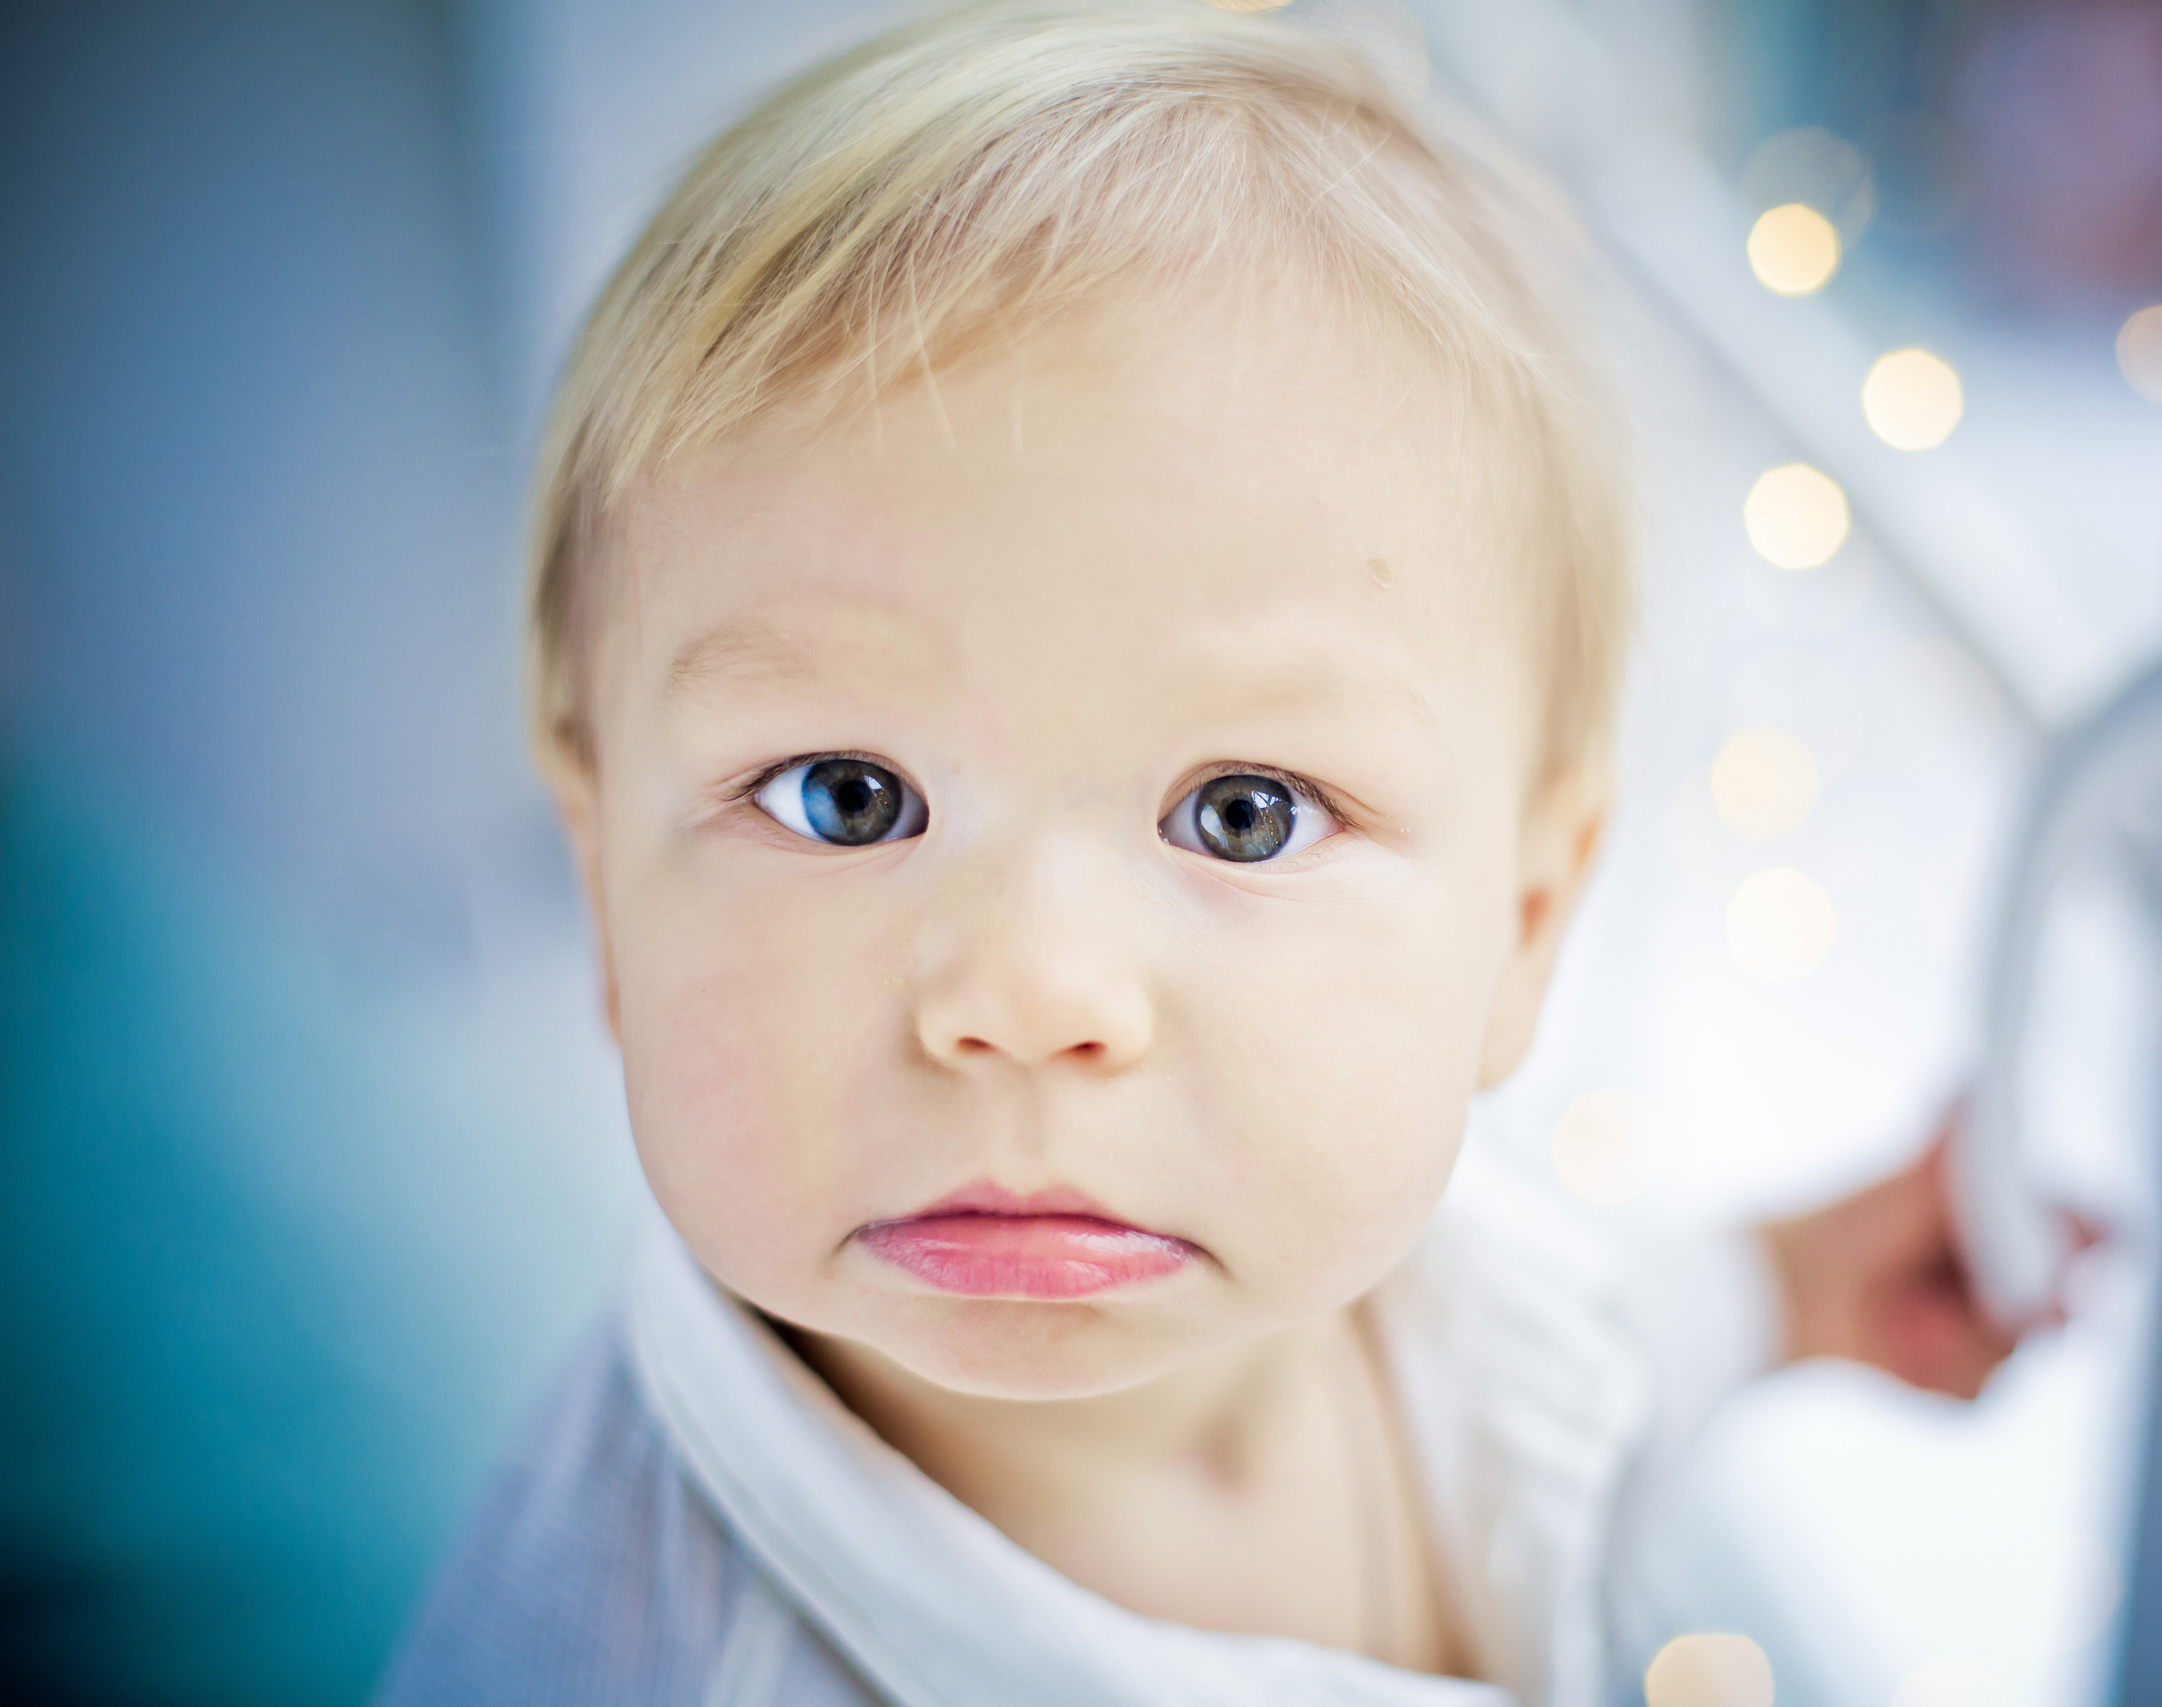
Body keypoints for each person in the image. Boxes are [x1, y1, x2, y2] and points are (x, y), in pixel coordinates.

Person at [380, 5, 2047, 1701]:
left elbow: (1561, 1367)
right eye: (843, 795)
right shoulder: (628, 1658)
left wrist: (1788, 1290)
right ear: (603, 892)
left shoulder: (1422, 1277)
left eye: (1243, 813)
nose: (1028, 998)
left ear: (1527, 927)